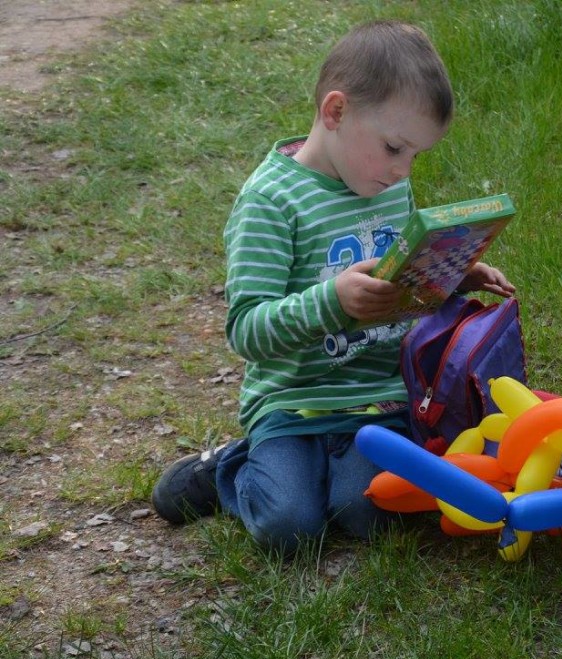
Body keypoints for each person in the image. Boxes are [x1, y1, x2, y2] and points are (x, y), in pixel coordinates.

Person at [151, 19, 515, 553]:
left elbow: (399, 280)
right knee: (289, 527)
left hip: (379, 398)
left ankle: (324, 472)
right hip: (292, 401)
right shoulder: (271, 202)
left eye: (415, 156)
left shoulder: (386, 184)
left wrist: (452, 274)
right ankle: (231, 467)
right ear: (336, 112)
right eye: (394, 148)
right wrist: (332, 301)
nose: (403, 170)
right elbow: (247, 330)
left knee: (370, 511)